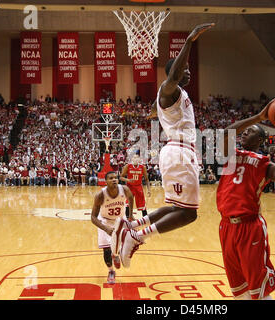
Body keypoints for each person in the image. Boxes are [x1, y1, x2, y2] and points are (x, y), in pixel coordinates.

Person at [111, 23, 215, 268]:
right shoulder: (169, 89)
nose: (188, 72)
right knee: (189, 213)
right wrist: (189, 40)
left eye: (189, 68)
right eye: (184, 69)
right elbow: (174, 77)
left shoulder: (174, 96)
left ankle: (130, 227)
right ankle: (137, 236)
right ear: (175, 73)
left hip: (177, 151)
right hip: (179, 151)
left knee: (175, 207)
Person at [216, 99, 275, 300]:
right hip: (226, 226)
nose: (245, 132)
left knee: (257, 286)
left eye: (251, 131)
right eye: (245, 130)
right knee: (238, 287)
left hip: (249, 226)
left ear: (260, 140)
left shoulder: (264, 163)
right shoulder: (230, 154)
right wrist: (258, 118)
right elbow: (225, 133)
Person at [90, 171, 135, 284]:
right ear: (106, 181)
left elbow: (131, 198)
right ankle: (111, 271)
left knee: (122, 245)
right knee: (106, 250)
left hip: (120, 220)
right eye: (111, 178)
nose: (114, 179)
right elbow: (93, 217)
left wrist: (130, 215)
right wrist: (105, 228)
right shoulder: (100, 195)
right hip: (105, 221)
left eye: (115, 178)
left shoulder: (124, 189)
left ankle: (116, 254)